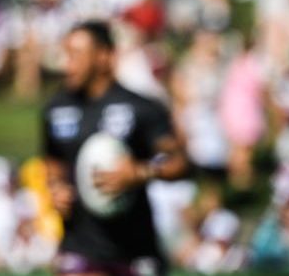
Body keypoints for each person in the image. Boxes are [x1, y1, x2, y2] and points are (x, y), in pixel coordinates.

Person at [43, 21, 188, 276]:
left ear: (104, 56)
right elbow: (53, 162)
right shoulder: (56, 109)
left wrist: (140, 172)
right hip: (80, 246)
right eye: (65, 55)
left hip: (135, 249)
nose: (67, 64)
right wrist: (57, 188)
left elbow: (180, 163)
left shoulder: (142, 107)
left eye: (75, 55)